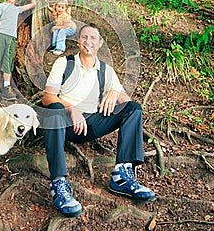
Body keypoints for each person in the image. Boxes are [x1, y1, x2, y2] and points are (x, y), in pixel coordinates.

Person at [41, 23, 155, 218]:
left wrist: (114, 91)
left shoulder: (106, 70)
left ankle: (122, 176)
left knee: (134, 108)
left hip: (91, 125)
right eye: (84, 37)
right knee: (54, 109)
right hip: (65, 124)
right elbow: (47, 97)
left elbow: (126, 103)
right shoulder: (64, 63)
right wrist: (71, 108)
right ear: (78, 41)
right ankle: (59, 184)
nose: (88, 41)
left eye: (93, 38)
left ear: (100, 43)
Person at [0, 0, 37, 102]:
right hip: (1, 35)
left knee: (8, 61)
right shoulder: (1, 6)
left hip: (11, 38)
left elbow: (33, 5)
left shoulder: (17, 9)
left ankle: (6, 87)